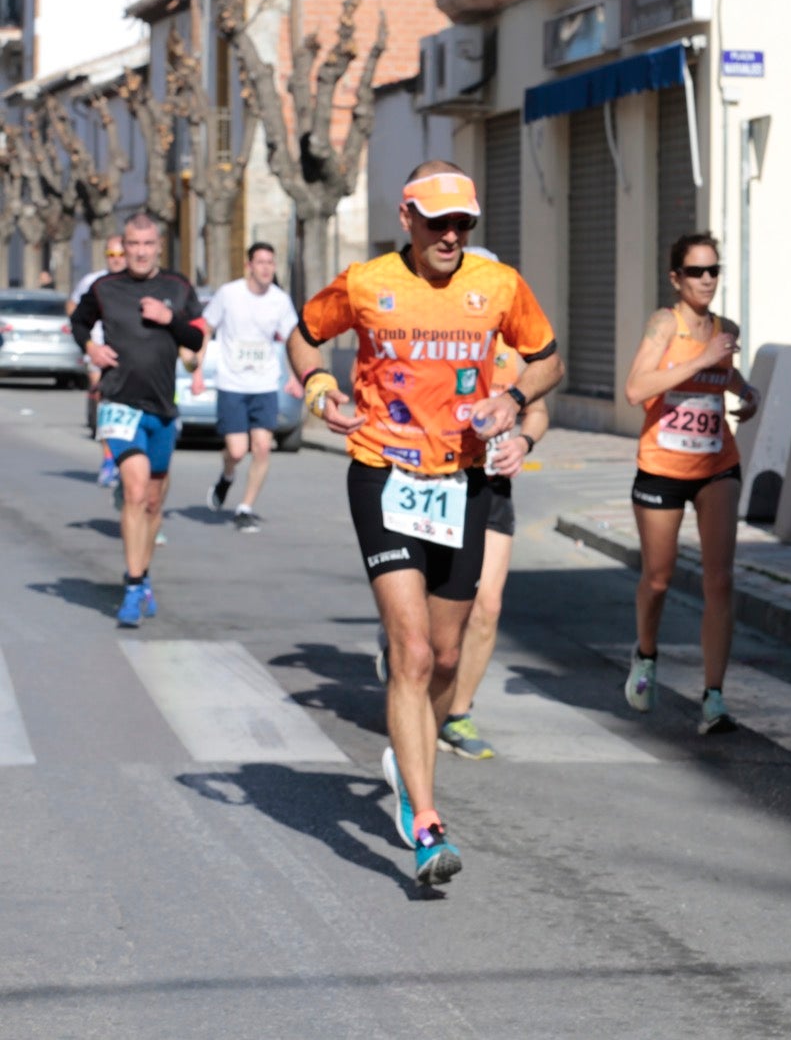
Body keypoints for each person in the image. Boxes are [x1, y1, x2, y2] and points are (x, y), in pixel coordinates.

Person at [288, 162, 562, 886]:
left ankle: (414, 759)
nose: (450, 234)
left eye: (462, 223)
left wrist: (514, 398)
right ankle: (427, 818)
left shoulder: (499, 286)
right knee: (409, 652)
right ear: (406, 217)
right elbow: (304, 335)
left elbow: (547, 359)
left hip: (461, 482)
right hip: (382, 473)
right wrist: (319, 388)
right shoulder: (367, 281)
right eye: (437, 221)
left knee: (445, 657)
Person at [621, 233, 761, 735]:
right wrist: (702, 359)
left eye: (714, 271)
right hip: (662, 466)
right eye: (696, 272)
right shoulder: (666, 323)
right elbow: (637, 388)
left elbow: (723, 379)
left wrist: (745, 392)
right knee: (658, 579)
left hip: (716, 463)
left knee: (719, 579)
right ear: (676, 278)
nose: (707, 281)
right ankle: (646, 654)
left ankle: (714, 696)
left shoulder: (726, 329)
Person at [68, 215, 208, 626]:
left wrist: (170, 321)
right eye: (133, 244)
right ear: (122, 247)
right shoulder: (104, 288)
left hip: (162, 406)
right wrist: (91, 350)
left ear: (159, 246)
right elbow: (78, 321)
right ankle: (131, 586)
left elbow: (197, 339)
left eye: (148, 244)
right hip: (118, 402)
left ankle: (143, 576)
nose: (141, 251)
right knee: (133, 490)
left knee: (152, 499)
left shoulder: (177, 287)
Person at [438, 245, 550, 761]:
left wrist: (523, 444)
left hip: (492, 484)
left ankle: (457, 714)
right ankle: (403, 654)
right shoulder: (434, 338)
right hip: (433, 482)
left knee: (488, 604)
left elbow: (538, 413)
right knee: (432, 604)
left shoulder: (515, 347)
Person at [201, 241, 304, 533]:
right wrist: (198, 371)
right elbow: (206, 328)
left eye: (270, 263)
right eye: (260, 262)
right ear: (248, 266)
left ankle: (244, 508)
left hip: (265, 383)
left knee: (261, 448)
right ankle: (227, 475)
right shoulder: (229, 294)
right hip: (232, 382)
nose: (266, 268)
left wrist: (295, 377)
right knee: (236, 450)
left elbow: (291, 341)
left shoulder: (280, 301)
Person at [70, 238, 128, 488]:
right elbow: (74, 308)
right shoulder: (94, 282)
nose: (116, 258)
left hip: (130, 355)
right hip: (100, 354)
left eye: (120, 253)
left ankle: (124, 458)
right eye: (111, 253)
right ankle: (108, 458)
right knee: (104, 400)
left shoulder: (137, 283)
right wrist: (90, 344)